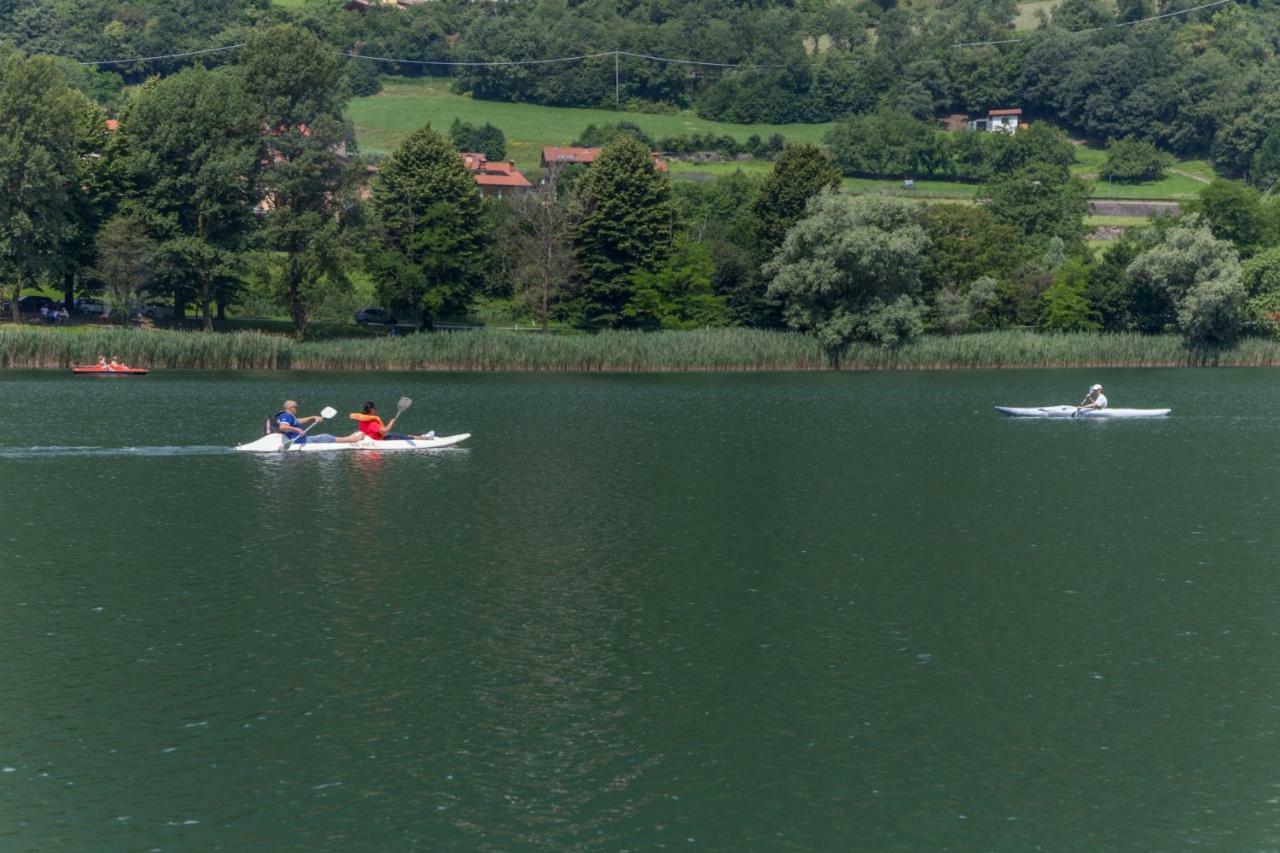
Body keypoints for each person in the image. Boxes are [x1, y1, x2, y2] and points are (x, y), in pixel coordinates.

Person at [272, 400, 361, 446]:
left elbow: (297, 421)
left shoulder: (284, 415)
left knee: (322, 436)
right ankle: (351, 440)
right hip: (298, 441)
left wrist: (313, 418)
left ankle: (348, 438)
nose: (297, 409)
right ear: (291, 408)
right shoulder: (287, 415)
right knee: (325, 436)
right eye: (296, 407)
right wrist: (298, 429)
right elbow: (282, 427)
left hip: (298, 440)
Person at [349, 401, 435, 441]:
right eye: (375, 408)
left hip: (373, 437)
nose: (376, 410)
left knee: (401, 435)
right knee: (404, 436)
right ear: (371, 410)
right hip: (381, 439)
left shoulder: (362, 418)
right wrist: (391, 422)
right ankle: (427, 438)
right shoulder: (372, 422)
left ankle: (423, 436)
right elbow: (385, 431)